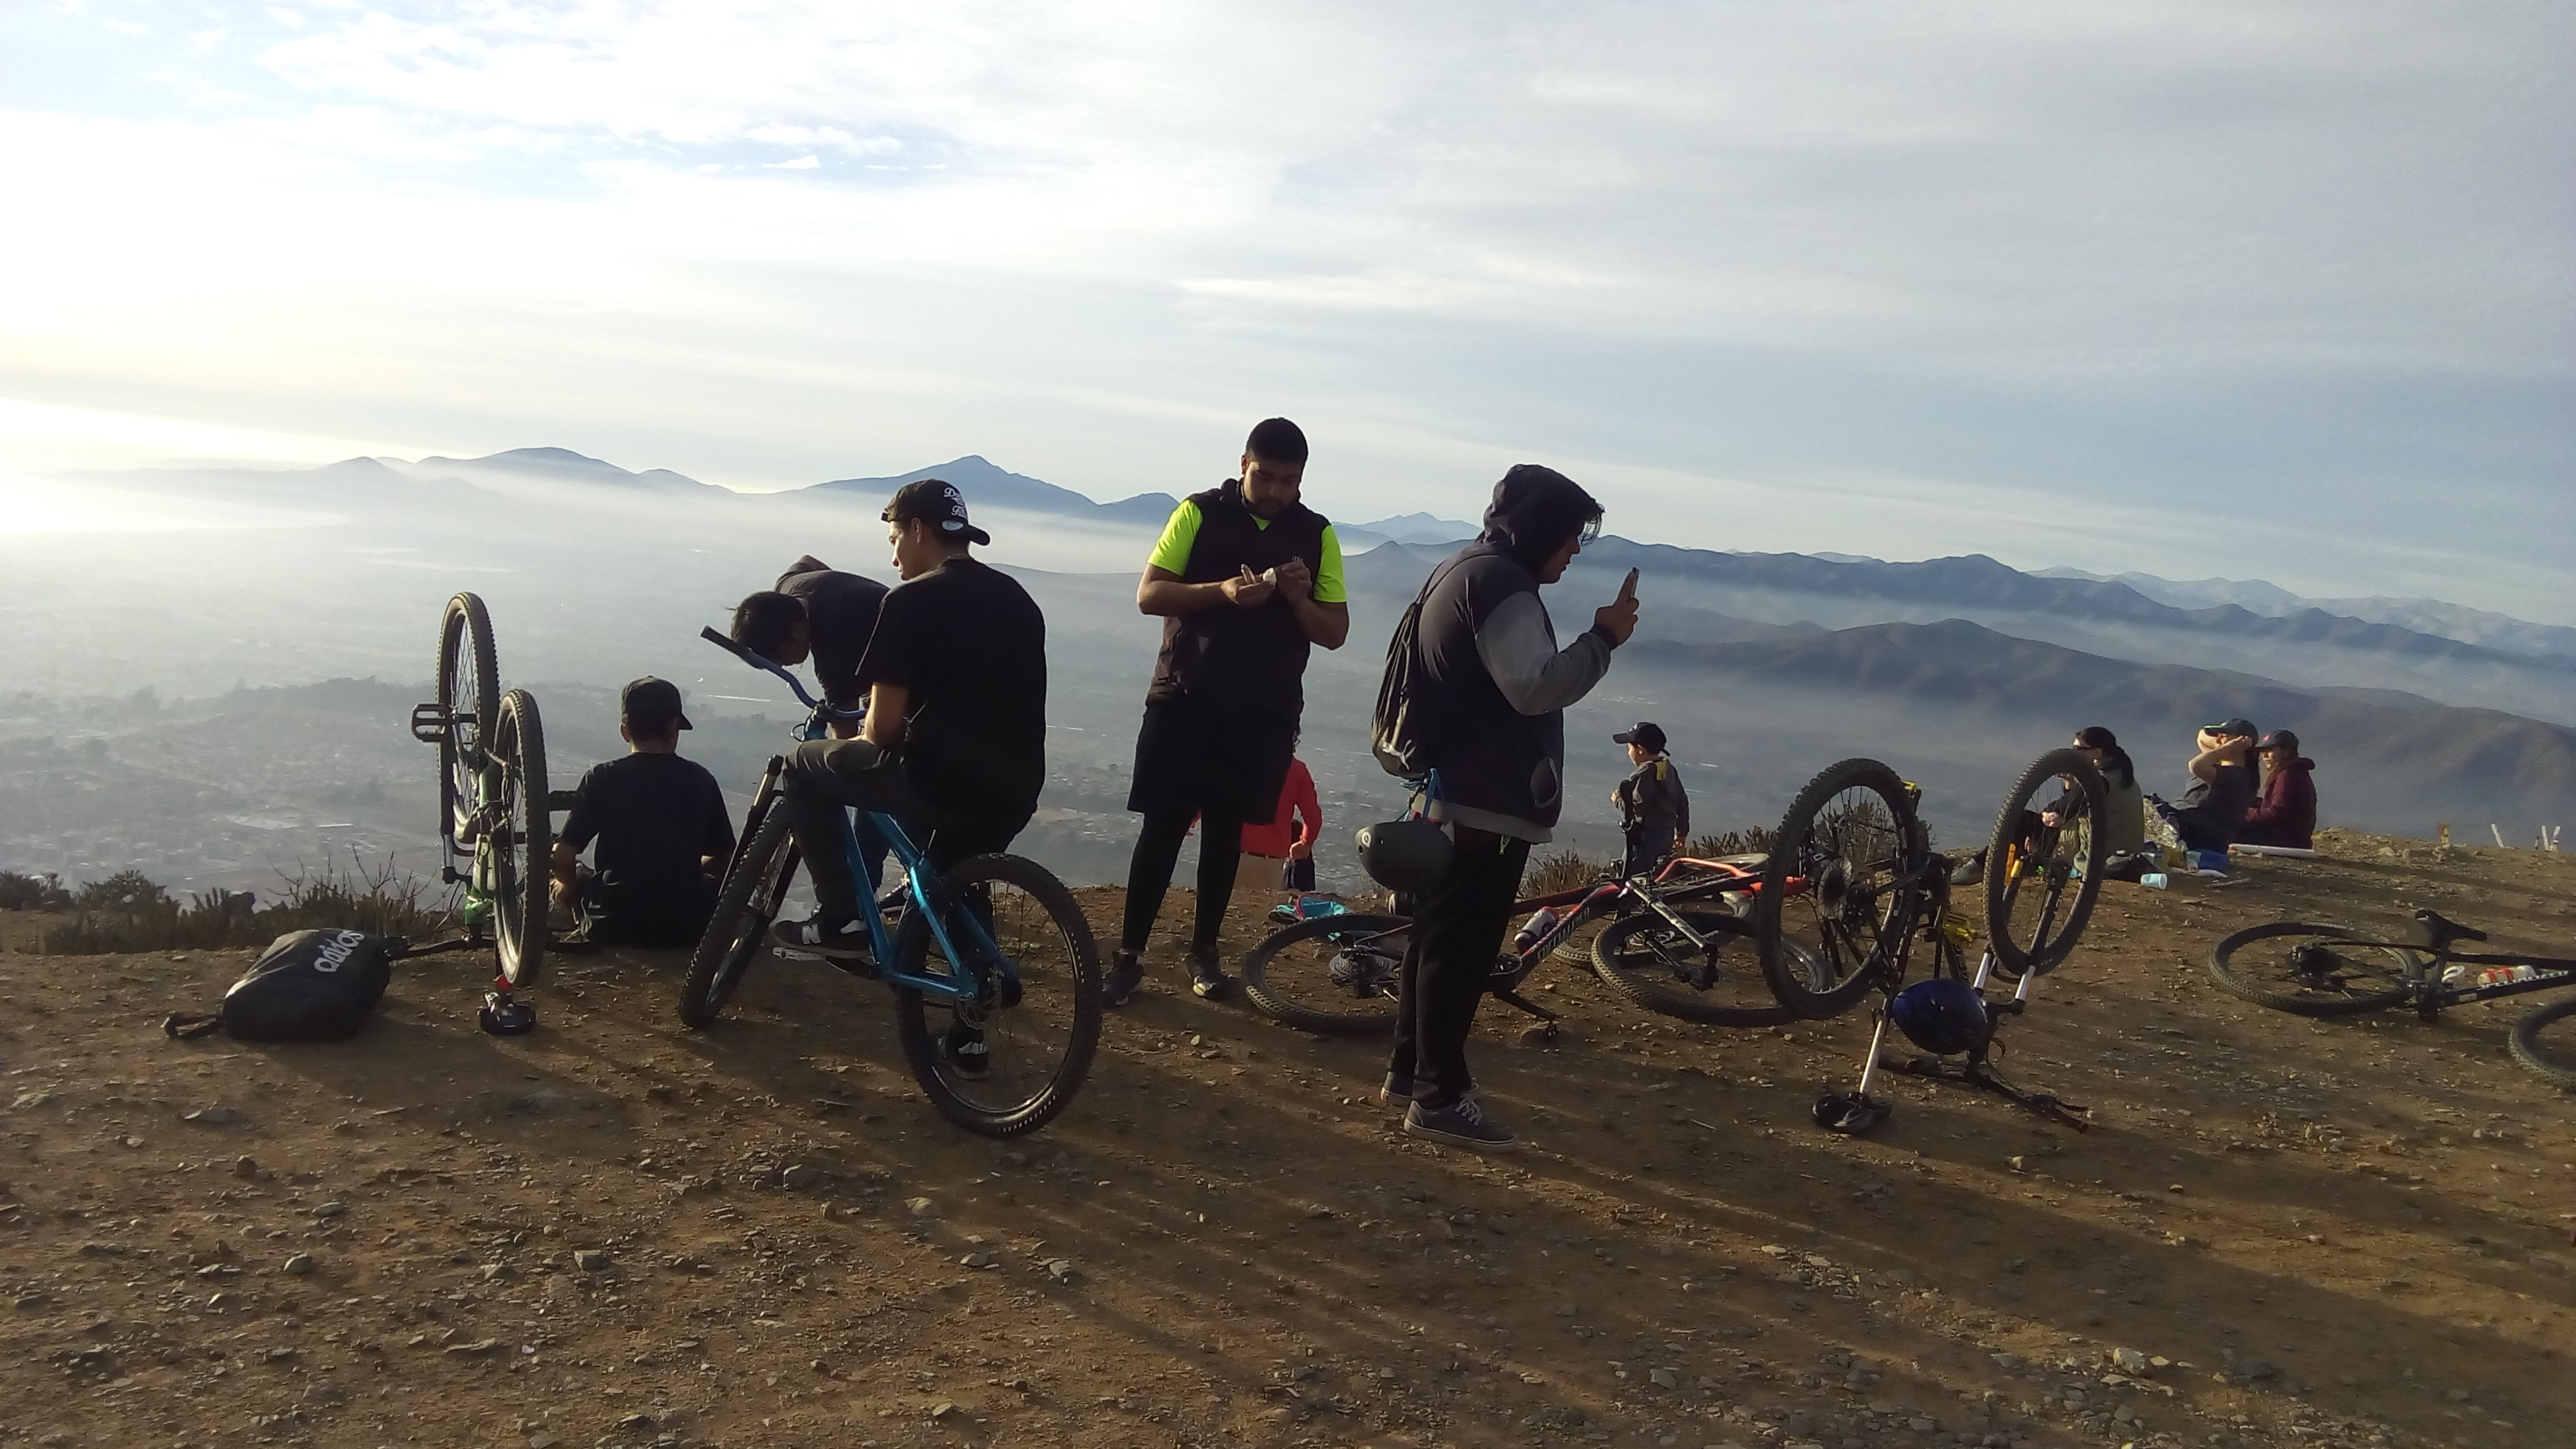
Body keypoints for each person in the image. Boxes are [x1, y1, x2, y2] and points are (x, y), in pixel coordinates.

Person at [1379, 464, 1638, 1152]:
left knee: (1436, 939)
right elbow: (1534, 685)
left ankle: (1409, 1072)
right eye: (1570, 534)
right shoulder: (1502, 585)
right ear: (1540, 529)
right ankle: (1438, 1097)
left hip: (1453, 793)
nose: (1575, 549)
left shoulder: (1463, 569)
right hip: (1485, 801)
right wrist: (1604, 639)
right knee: (1460, 951)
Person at [769, 478, 1049, 1014]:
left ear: (918, 530)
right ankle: (973, 1025)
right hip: (1016, 787)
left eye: (894, 539)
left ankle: (839, 921)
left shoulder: (908, 600)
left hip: (938, 783)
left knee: (801, 765)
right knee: (953, 875)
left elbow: (881, 731)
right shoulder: (1018, 598)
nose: (894, 555)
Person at [1107, 418, 1350, 1006]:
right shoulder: (1198, 513)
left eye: (1288, 481)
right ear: (1243, 464)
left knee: (1225, 833)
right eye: (1264, 476)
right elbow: (1149, 594)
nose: (1275, 491)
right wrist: (1222, 592)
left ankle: (1205, 954)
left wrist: (1297, 598)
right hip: (1184, 697)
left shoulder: (1317, 534)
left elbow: (1335, 631)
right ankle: (1128, 956)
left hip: (1264, 712)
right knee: (1163, 828)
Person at [549, 678, 736, 946]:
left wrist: (568, 884)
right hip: (688, 926)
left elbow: (563, 854)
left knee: (578, 875)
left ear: (625, 731)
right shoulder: (701, 779)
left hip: (615, 923)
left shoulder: (603, 777)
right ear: (673, 729)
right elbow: (724, 858)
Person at [1950, 724, 2146, 885]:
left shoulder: (2102, 779)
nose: (2074, 754)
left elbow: (2071, 805)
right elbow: (2079, 803)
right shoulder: (2119, 773)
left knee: (2021, 822)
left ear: (2097, 752)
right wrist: (2070, 783)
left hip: (2100, 854)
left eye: (2079, 750)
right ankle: (1992, 869)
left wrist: (2051, 812)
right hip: (2115, 847)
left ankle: (1976, 870)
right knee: (2028, 827)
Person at [730, 556, 890, 723]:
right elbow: (808, 561)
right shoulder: (788, 586)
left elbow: (845, 730)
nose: (781, 666)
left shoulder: (832, 654)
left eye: (780, 657)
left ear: (796, 631)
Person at [2151, 716, 2261, 855]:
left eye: (2224, 736)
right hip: (2185, 823)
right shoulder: (2216, 764)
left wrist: (2230, 747)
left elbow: (2195, 766)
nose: (2218, 740)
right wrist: (2224, 744)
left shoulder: (2237, 776)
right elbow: (2202, 736)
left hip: (2197, 832)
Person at [1237, 754, 1322, 900]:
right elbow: (1313, 817)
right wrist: (1305, 842)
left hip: (1229, 853)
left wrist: (1194, 820)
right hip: (1270, 862)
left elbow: (1207, 794)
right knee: (1262, 909)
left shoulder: (1235, 758)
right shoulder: (1296, 769)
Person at [1610, 722, 1689, 877]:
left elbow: (1637, 808)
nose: (1628, 753)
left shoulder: (1644, 774)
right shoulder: (1668, 769)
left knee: (1632, 877)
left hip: (1645, 838)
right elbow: (1682, 803)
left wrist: (1617, 799)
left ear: (1640, 749)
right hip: (1666, 835)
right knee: (1655, 876)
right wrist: (1682, 833)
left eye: (1629, 749)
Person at [2237, 729, 2318, 849]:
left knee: (2225, 829)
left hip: (2285, 840)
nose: (2264, 756)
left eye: (2270, 750)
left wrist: (2243, 812)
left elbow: (2275, 814)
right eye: (2263, 751)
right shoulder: (2296, 773)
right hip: (2292, 839)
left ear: (2286, 751)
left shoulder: (2287, 775)